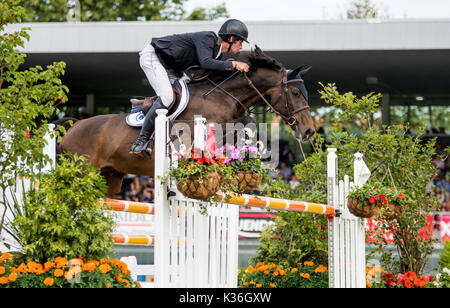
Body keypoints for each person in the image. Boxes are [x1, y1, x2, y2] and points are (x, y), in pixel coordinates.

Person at [130, 19, 251, 156]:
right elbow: (206, 63)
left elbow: (210, 72)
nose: (241, 47)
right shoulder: (208, 38)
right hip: (153, 57)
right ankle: (140, 142)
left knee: (187, 94)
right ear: (231, 38)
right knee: (168, 97)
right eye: (240, 42)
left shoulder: (217, 53)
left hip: (171, 68)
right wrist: (233, 64)